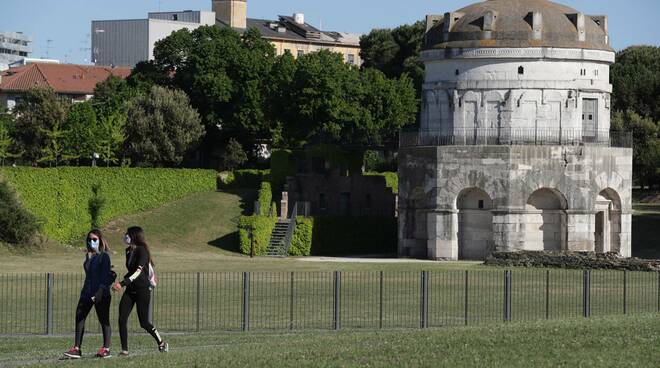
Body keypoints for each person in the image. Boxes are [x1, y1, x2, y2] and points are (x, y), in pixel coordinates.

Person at [112, 226, 168, 356]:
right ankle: (124, 350)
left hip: (142, 290)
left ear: (134, 236)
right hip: (130, 290)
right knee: (122, 318)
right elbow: (131, 271)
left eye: (127, 234)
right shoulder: (128, 251)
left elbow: (138, 271)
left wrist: (122, 283)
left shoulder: (142, 251)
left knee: (144, 323)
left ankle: (161, 343)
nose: (125, 235)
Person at [63, 229, 114, 359]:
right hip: (87, 292)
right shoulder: (88, 256)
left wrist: (100, 292)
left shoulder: (104, 256)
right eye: (89, 239)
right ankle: (76, 348)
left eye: (95, 239)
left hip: (101, 293)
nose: (92, 242)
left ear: (100, 240)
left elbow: (105, 276)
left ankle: (106, 349)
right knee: (79, 317)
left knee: (104, 320)